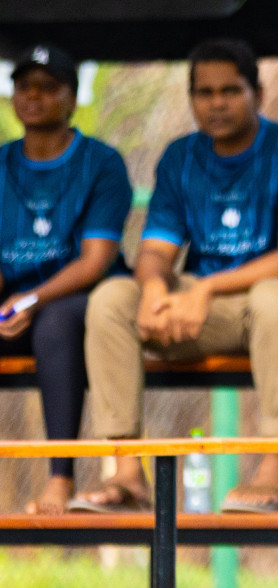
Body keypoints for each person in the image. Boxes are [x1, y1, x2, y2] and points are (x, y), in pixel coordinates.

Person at [74, 38, 278, 513]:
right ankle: (125, 472)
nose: (216, 103)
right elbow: (155, 251)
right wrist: (157, 289)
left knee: (273, 297)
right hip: (216, 309)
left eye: (230, 91)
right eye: (204, 93)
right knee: (113, 298)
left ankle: (276, 471)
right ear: (192, 98)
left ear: (257, 95)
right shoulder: (181, 158)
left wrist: (205, 287)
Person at [0, 45, 131, 514]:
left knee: (55, 323)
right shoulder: (2, 162)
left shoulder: (101, 162)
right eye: (24, 86)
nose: (34, 97)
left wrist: (27, 300)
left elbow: (94, 261)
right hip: (13, 305)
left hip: (82, 302)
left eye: (48, 87)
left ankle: (60, 479)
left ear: (72, 98)